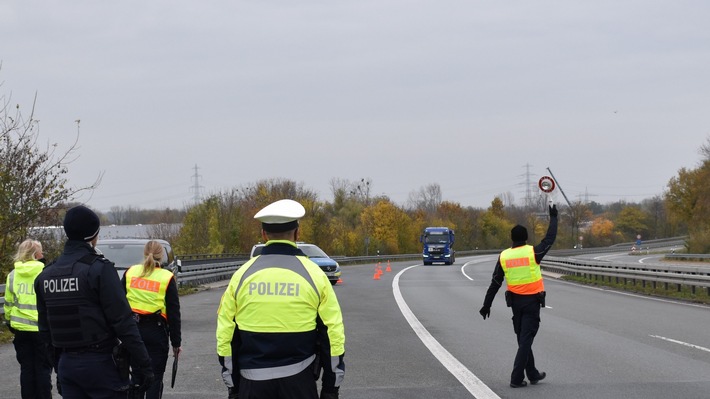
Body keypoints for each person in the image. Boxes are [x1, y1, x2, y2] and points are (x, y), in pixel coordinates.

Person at [216, 199, 346, 399]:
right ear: (297, 233)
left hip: (251, 385)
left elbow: (225, 335)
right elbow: (333, 335)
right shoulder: (315, 275)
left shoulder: (241, 276)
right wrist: (330, 389)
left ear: (264, 234)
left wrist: (233, 387)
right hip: (300, 384)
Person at [34, 205, 154, 398]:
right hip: (101, 364)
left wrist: (59, 367)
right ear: (94, 235)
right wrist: (144, 364)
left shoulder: (46, 275)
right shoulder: (99, 270)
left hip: (67, 364)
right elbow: (122, 321)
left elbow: (45, 330)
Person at [479, 204, 558, 388]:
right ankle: (516, 378)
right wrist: (553, 218)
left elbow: (495, 283)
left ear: (511, 238)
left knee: (523, 338)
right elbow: (549, 239)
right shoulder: (533, 252)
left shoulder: (504, 256)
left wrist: (486, 305)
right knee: (525, 339)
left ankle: (532, 373)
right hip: (532, 303)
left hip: (515, 304)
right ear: (526, 238)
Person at [122, 240, 182, 398]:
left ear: (144, 253)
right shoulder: (166, 277)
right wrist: (176, 343)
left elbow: (118, 305)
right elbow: (174, 314)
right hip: (156, 332)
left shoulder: (130, 272)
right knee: (155, 379)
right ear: (161, 256)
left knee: (136, 377)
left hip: (133, 331)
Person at [4, 239, 54, 398]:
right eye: (41, 251)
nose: (43, 254)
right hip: (41, 330)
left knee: (26, 369)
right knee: (43, 369)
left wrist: (11, 322)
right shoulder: (45, 272)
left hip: (20, 330)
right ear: (35, 254)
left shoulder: (12, 275)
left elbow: (8, 303)